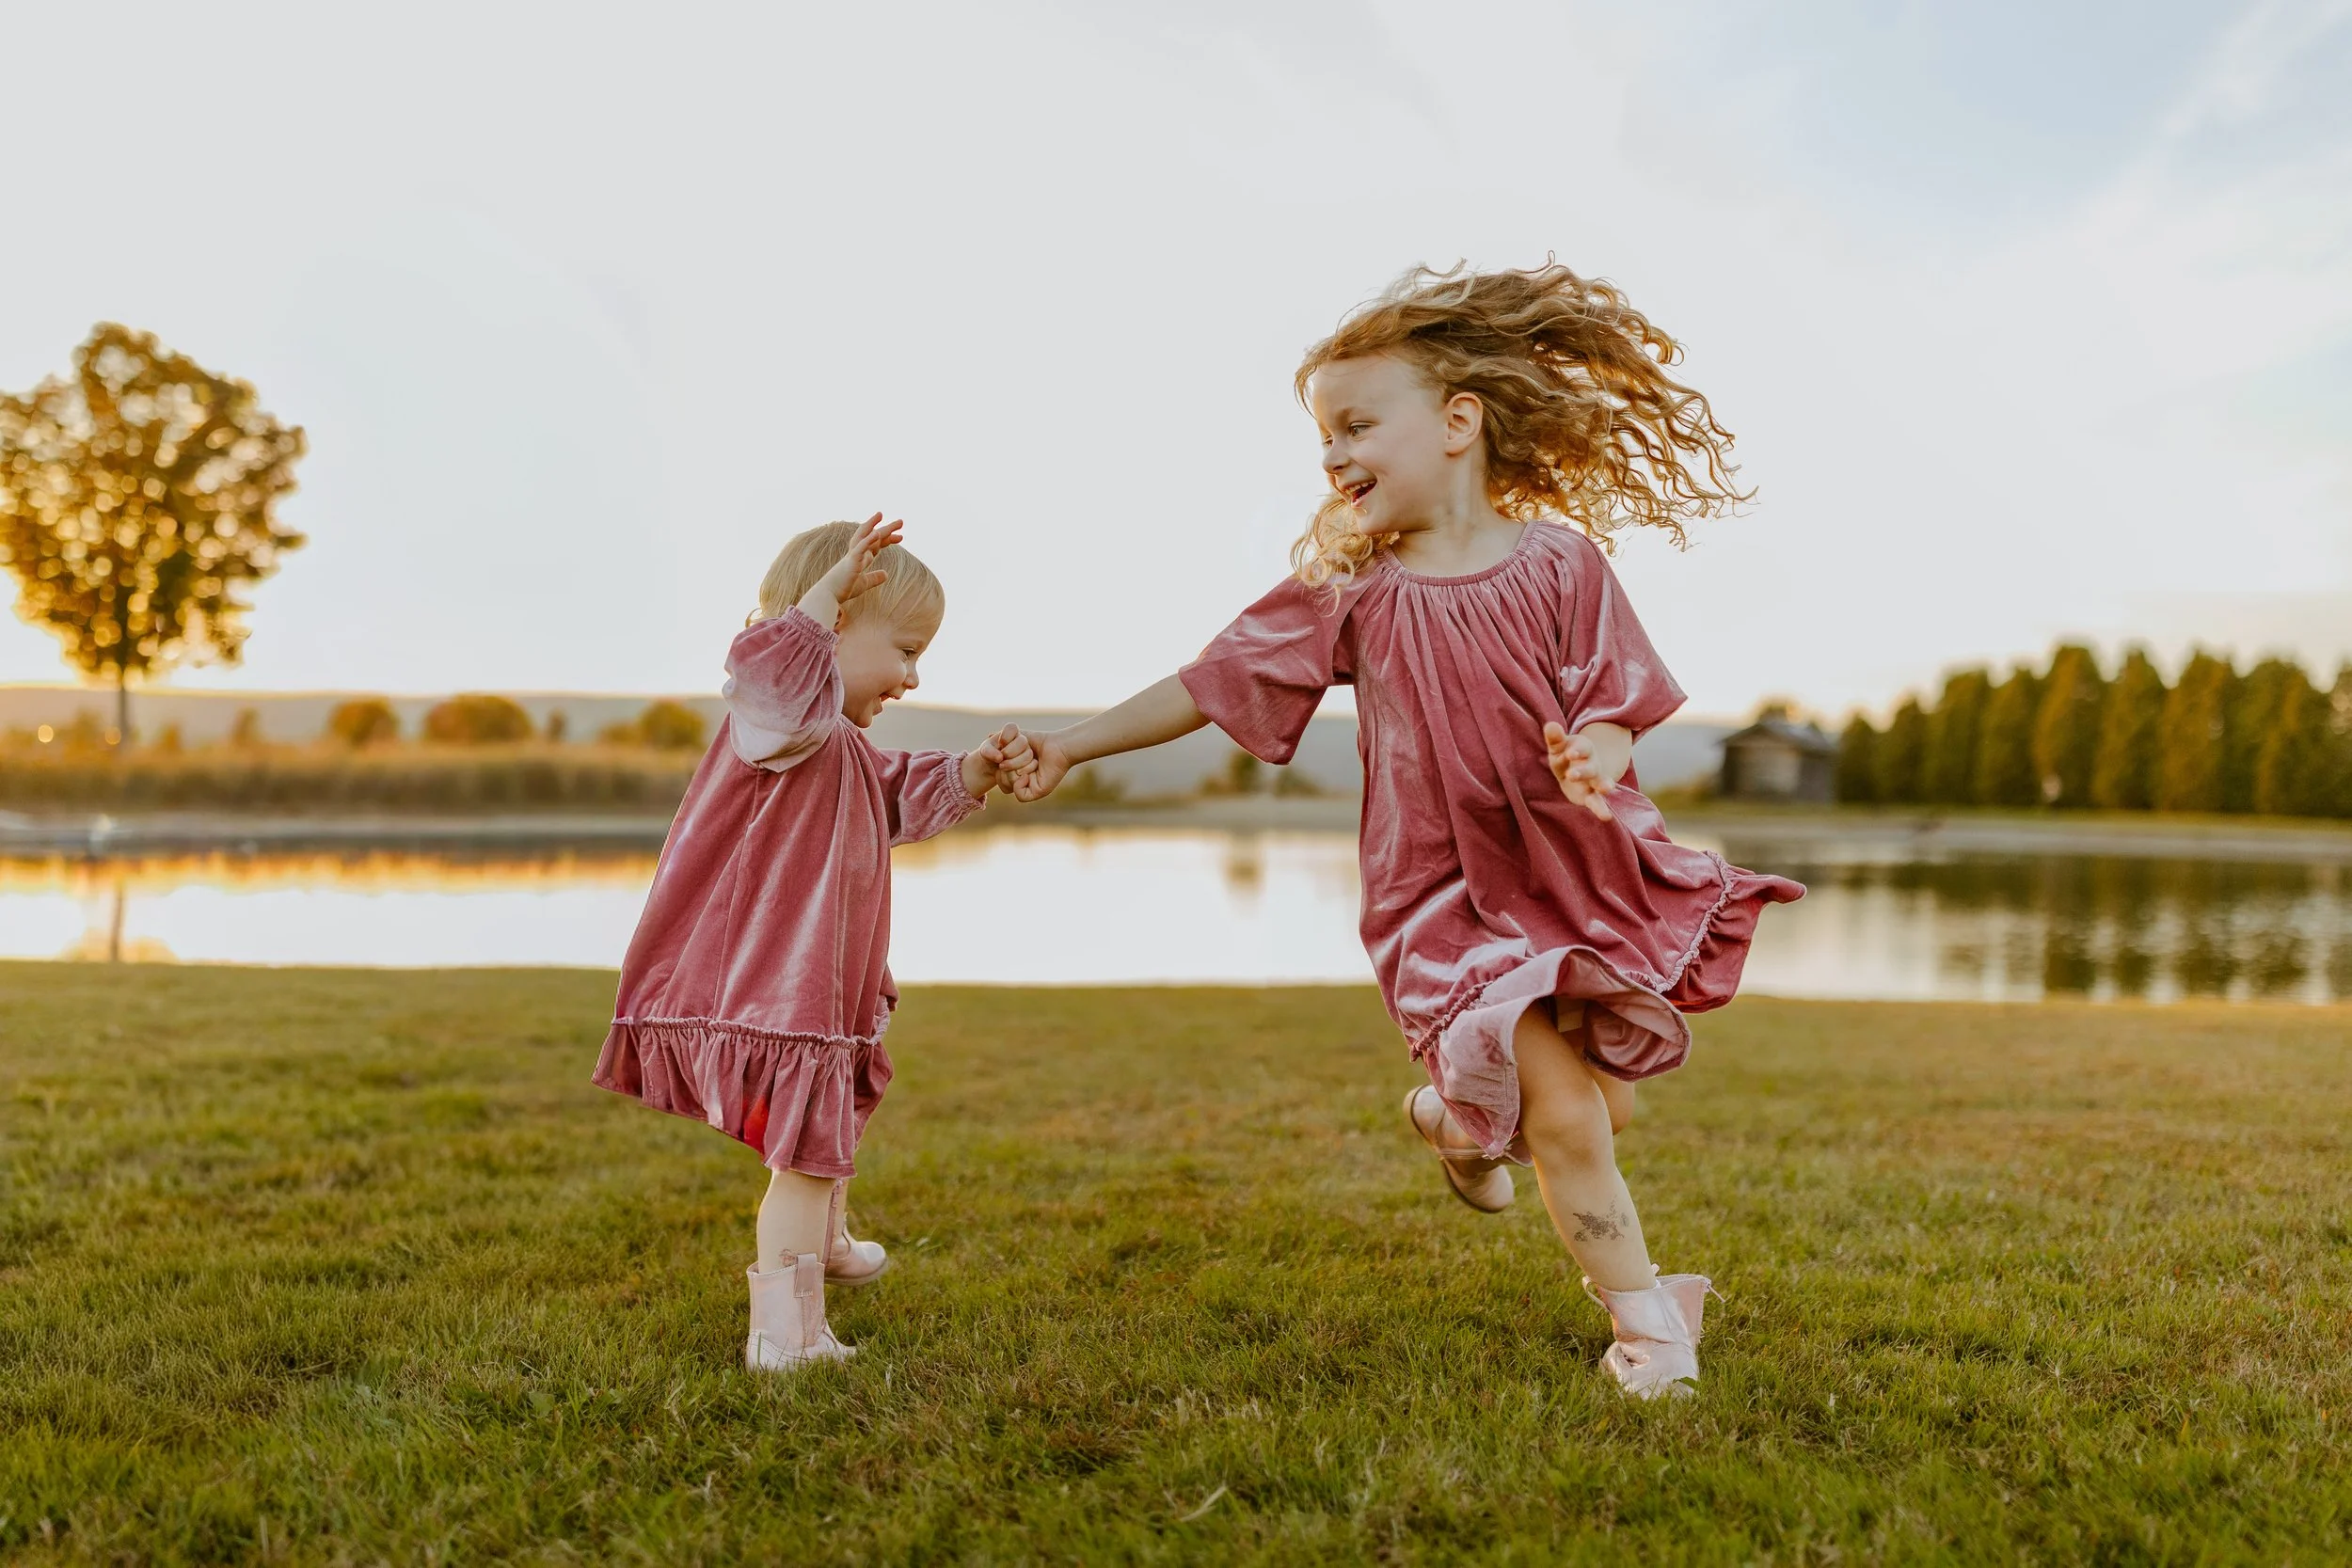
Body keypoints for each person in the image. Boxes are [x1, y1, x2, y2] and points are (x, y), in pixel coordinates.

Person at [1007, 264, 1803, 1398]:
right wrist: (1072, 746)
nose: (1332, 457)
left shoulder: (1561, 562)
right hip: (1440, 899)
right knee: (1569, 1111)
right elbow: (1208, 680)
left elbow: (1615, 702)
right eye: (1322, 439)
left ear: (1458, 423)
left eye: (1355, 424)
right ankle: (1650, 1333)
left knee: (1599, 1104)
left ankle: (1450, 1117)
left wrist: (1597, 754)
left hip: (1571, 879)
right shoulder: (1350, 588)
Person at [594, 515, 1028, 1370]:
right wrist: (824, 599)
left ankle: (823, 1242)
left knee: (821, 1127)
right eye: (904, 650)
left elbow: (893, 791)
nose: (912, 676)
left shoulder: (836, 746)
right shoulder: (777, 721)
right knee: (800, 1154)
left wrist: (973, 770)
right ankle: (785, 1336)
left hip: (823, 988)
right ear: (829, 629)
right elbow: (773, 665)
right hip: (770, 988)